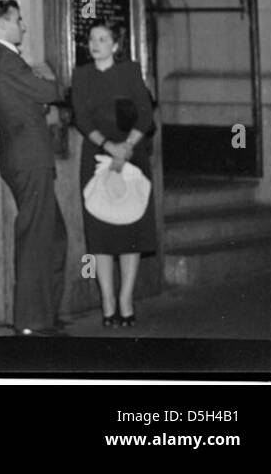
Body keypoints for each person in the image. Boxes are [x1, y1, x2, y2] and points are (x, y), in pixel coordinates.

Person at [0, 0, 67, 336]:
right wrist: (48, 85)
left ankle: (45, 313)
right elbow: (48, 89)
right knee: (35, 239)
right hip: (29, 158)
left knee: (53, 236)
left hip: (25, 155)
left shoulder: (0, 60)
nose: (24, 26)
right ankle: (31, 321)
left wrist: (39, 97)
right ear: (2, 25)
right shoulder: (5, 60)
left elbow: (30, 100)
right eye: (18, 19)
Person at [71, 21, 156, 327]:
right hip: (96, 155)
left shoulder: (130, 71)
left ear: (115, 46)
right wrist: (109, 146)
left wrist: (127, 146)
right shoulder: (81, 75)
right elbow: (80, 117)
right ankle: (107, 301)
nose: (95, 44)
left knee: (131, 230)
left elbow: (145, 113)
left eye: (103, 39)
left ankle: (126, 299)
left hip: (132, 156)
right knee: (102, 232)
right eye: (92, 39)